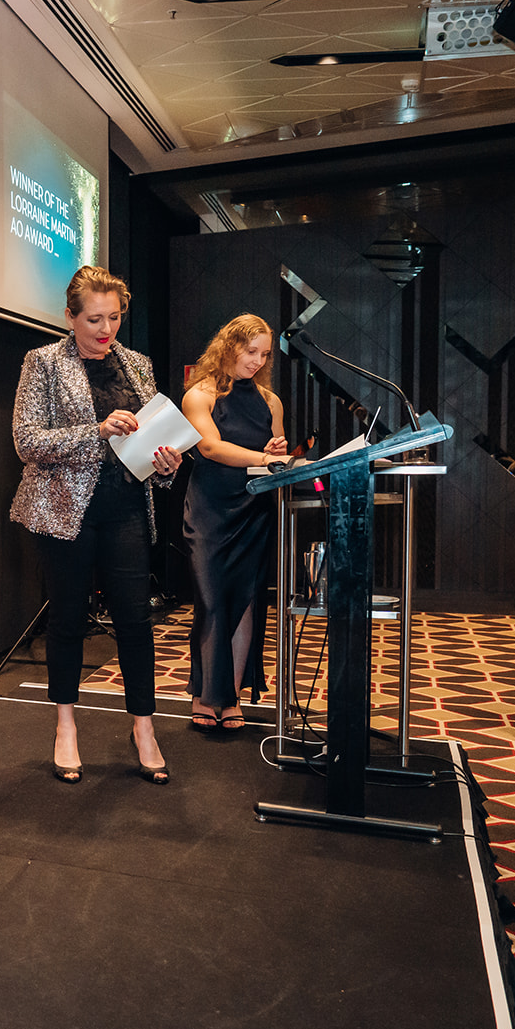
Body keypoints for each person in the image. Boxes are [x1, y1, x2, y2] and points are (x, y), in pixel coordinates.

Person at [10, 266, 183, 786]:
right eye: (93, 319)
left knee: (135, 621)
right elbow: (26, 441)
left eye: (114, 317)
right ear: (70, 317)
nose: (106, 329)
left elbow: (151, 443)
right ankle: (65, 725)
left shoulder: (137, 365)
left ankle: (144, 728)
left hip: (126, 507)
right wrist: (98, 431)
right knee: (67, 620)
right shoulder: (43, 362)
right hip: (64, 512)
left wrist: (166, 464)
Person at [180, 314, 289, 733]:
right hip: (209, 509)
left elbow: (276, 451)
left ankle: (231, 697)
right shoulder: (199, 395)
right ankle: (206, 695)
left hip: (253, 509)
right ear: (229, 347)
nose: (258, 361)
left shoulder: (270, 401)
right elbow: (209, 447)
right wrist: (265, 458)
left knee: (246, 603)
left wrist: (275, 449)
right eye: (251, 352)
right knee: (211, 602)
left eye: (264, 355)